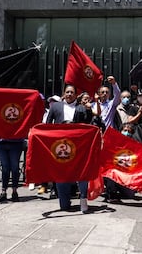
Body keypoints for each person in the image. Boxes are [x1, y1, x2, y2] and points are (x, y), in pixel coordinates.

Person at [46, 84, 89, 213]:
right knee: (61, 174)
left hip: (78, 147)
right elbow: (48, 125)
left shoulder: (81, 108)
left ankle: (83, 198)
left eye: (72, 92)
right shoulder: (56, 107)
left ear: (76, 95)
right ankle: (64, 200)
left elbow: (87, 127)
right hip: (60, 147)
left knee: (81, 172)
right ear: (64, 93)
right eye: (67, 92)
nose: (69, 94)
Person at [37, 94, 61, 194]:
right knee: (45, 164)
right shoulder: (45, 113)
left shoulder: (61, 114)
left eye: (54, 102)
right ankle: (44, 185)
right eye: (51, 102)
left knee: (56, 165)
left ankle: (54, 188)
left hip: (58, 142)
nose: (52, 104)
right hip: (46, 142)